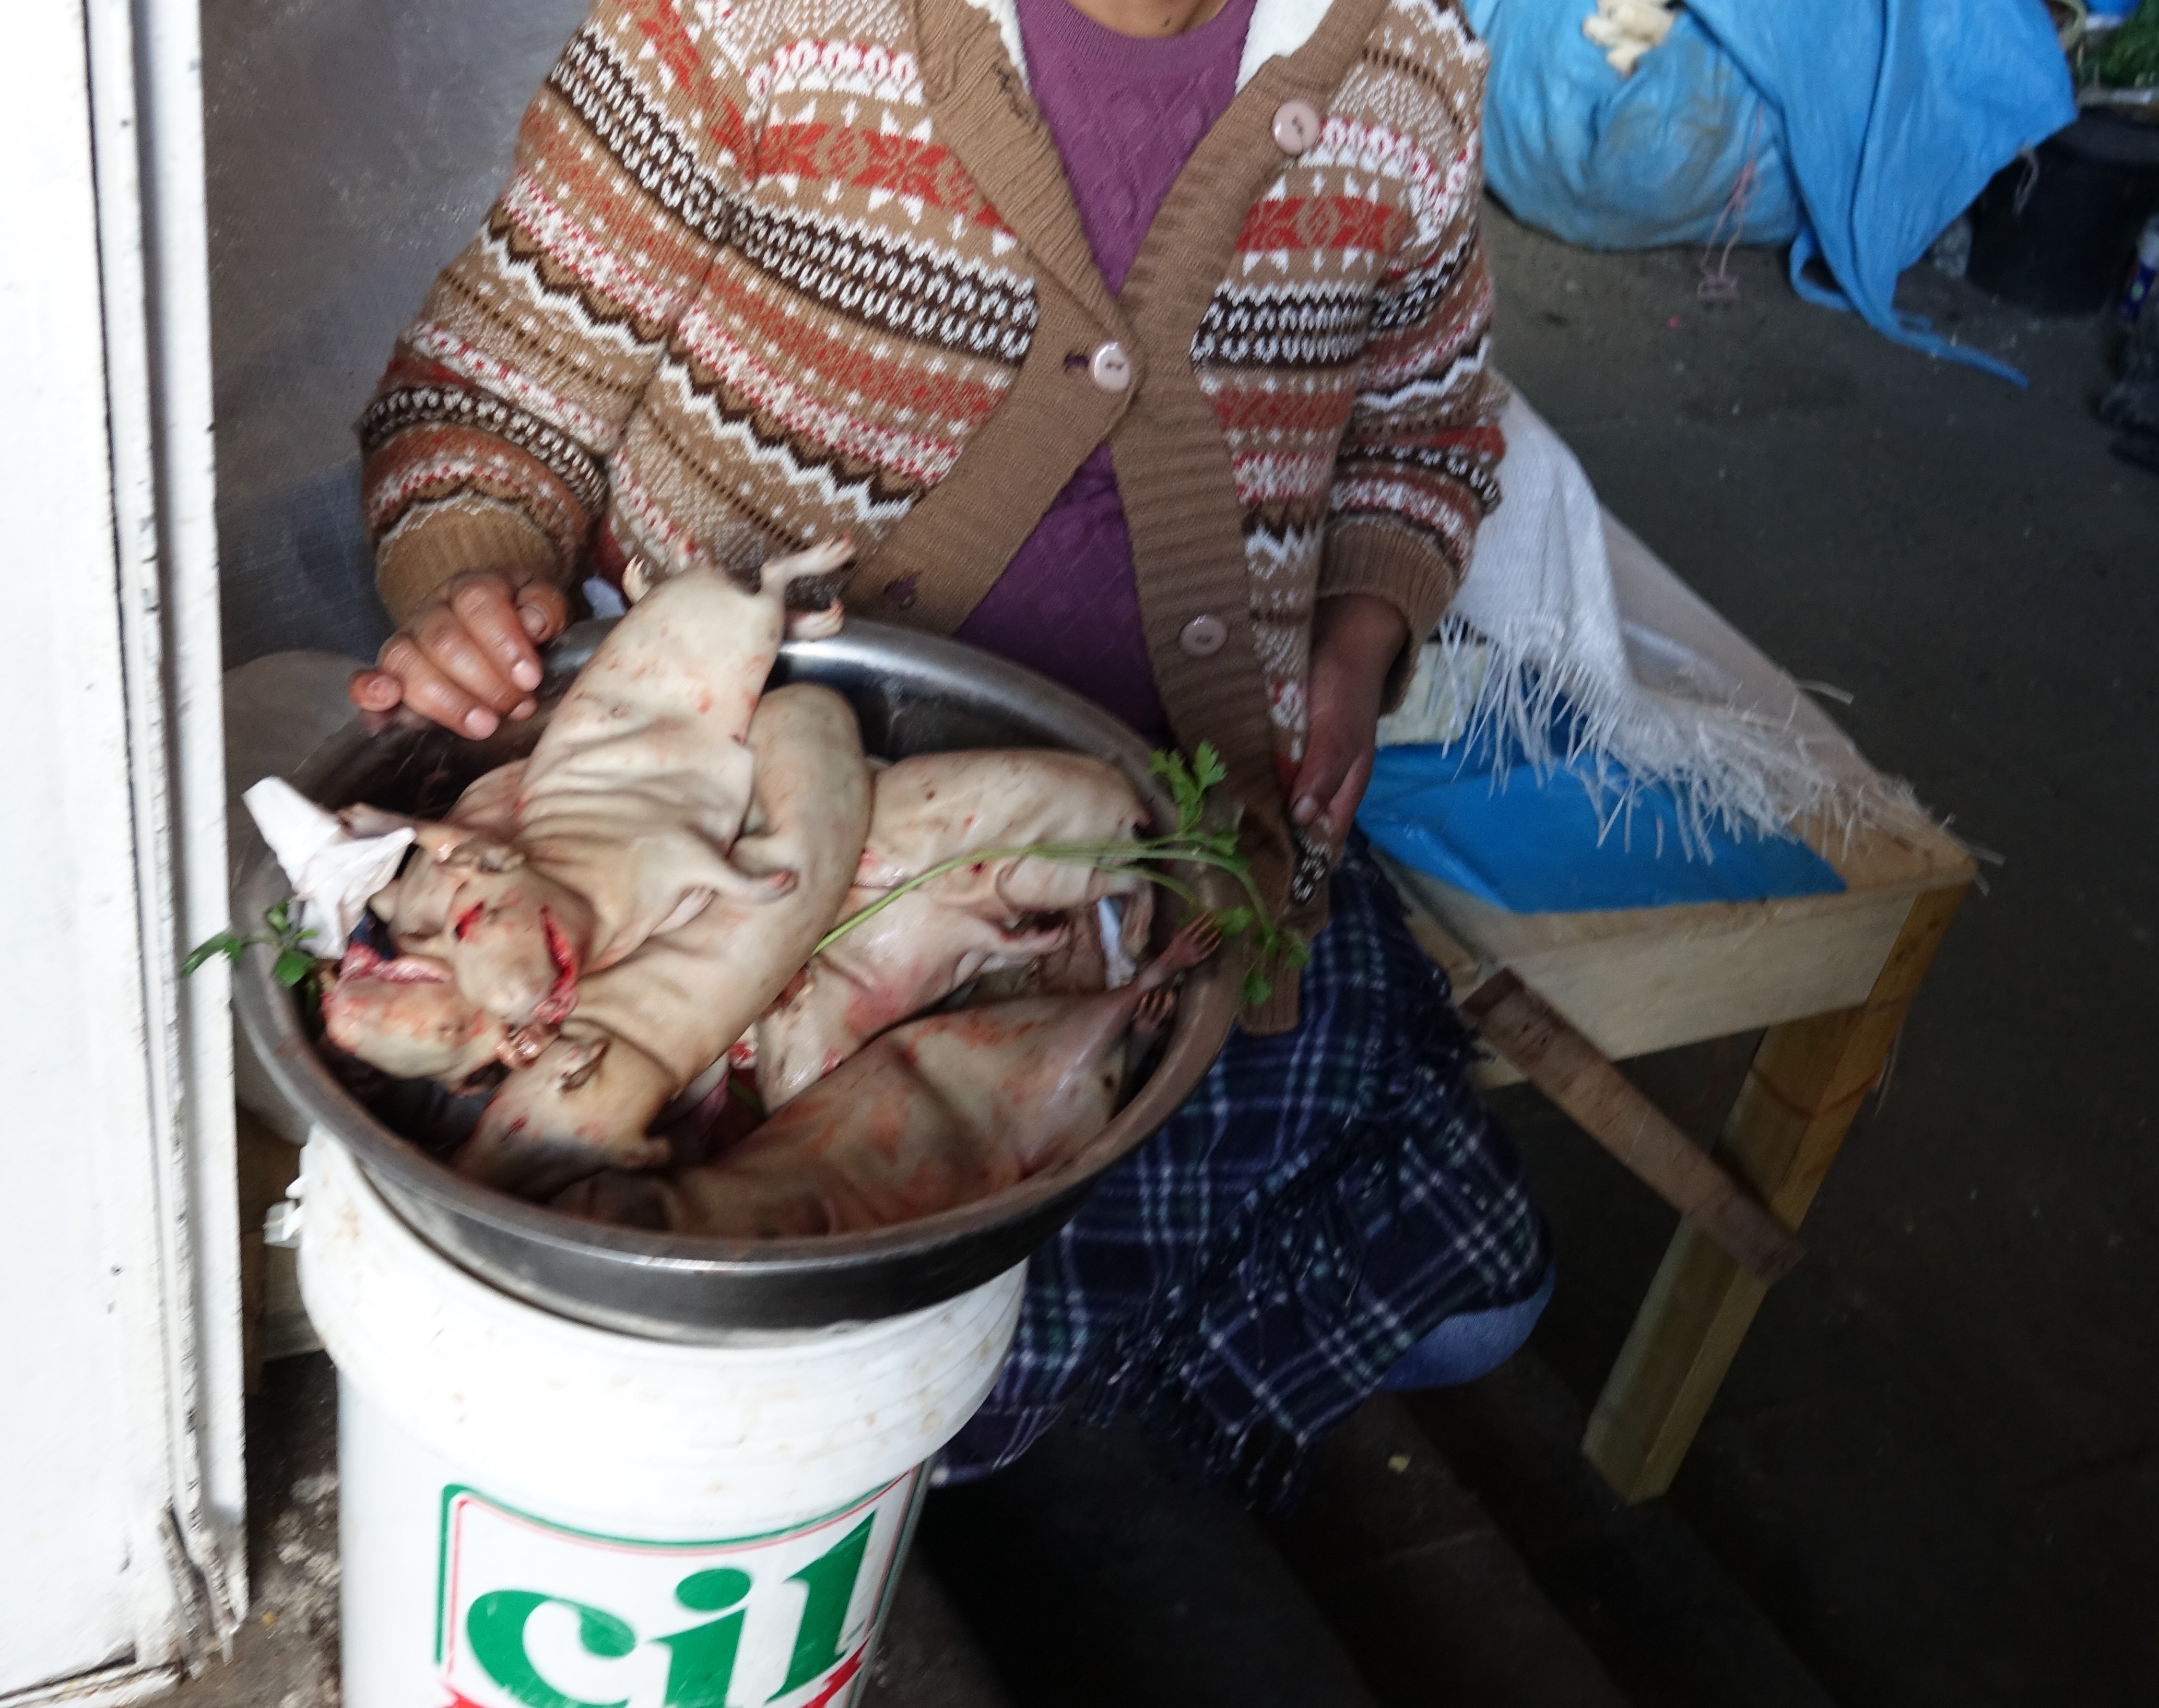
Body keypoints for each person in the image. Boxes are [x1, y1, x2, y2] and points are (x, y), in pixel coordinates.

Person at [347, 0, 1551, 1496]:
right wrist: (474, 582)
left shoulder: (1405, 66)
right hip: (698, 866)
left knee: (1483, 1291)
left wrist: (1362, 633)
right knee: (812, 1369)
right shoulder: (753, 22)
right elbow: (490, 385)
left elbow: (1425, 426)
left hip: (1167, 856)